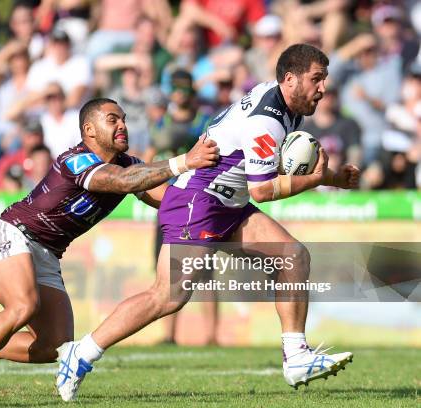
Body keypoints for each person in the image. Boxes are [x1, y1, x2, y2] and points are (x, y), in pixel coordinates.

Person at [56, 44, 361, 401]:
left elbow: (259, 168)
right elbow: (262, 191)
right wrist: (316, 179)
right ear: (290, 79)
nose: (323, 88)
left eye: (324, 79)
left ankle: (295, 357)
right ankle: (83, 352)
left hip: (227, 203)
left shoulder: (285, 105)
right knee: (167, 296)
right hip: (198, 201)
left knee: (293, 257)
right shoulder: (268, 119)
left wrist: (330, 178)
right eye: (316, 79)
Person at [0, 97, 219, 399]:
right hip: (14, 235)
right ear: (89, 129)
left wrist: (221, 188)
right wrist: (184, 160)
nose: (122, 125)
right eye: (113, 119)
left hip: (48, 254)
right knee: (23, 305)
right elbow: (120, 182)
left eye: (123, 119)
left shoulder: (130, 165)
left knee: (54, 346)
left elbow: (172, 199)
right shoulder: (76, 159)